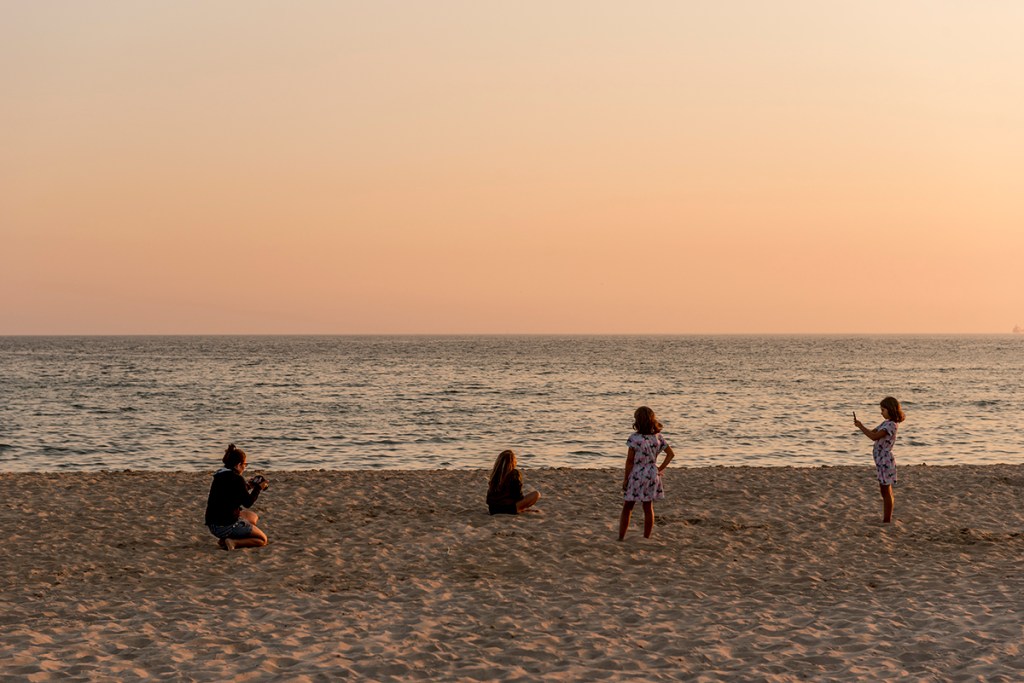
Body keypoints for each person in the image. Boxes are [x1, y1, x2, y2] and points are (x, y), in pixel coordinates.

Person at [619, 406, 675, 540]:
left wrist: (626, 479)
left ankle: (621, 537)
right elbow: (670, 454)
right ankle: (646, 537)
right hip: (651, 473)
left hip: (637, 473)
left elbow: (629, 461)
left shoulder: (634, 438)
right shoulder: (658, 437)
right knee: (648, 506)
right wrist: (659, 468)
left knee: (628, 506)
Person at [204, 443, 270, 550]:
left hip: (213, 524)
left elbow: (231, 493)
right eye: (245, 464)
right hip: (225, 526)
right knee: (263, 540)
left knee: (252, 517)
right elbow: (248, 503)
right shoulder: (237, 479)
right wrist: (258, 488)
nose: (245, 467)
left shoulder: (220, 474)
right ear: (238, 465)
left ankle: (224, 539)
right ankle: (233, 542)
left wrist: (249, 486)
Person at [854, 396, 905, 524]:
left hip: (885, 461)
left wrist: (861, 426)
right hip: (881, 461)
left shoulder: (891, 425)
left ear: (890, 410)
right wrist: (861, 426)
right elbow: (873, 432)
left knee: (886, 490)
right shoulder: (885, 423)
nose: (881, 412)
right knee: (884, 490)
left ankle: (887, 520)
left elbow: (874, 436)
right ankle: (886, 518)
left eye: (883, 410)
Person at [486, 449, 540, 515]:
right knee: (536, 494)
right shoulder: (514, 474)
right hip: (509, 508)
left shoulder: (495, 474)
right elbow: (518, 496)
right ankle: (520, 509)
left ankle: (520, 509)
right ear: (513, 462)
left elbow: (488, 499)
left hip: (493, 510)